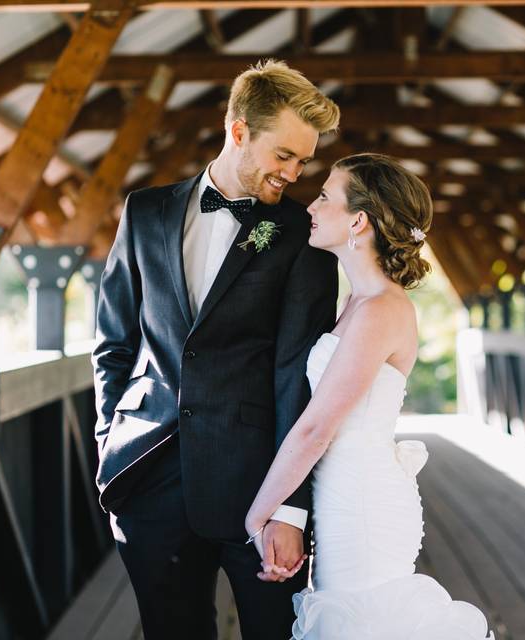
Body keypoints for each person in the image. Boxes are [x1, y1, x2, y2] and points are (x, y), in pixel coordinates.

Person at [91, 60, 340, 638]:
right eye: (284, 156)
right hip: (147, 475)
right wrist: (110, 438)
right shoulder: (144, 212)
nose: (293, 173)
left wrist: (289, 507)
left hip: (257, 486)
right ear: (238, 131)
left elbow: (294, 378)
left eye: (303, 161)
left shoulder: (305, 242)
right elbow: (114, 340)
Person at [244, 153, 494, 639]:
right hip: (342, 497)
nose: (310, 207)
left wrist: (259, 515)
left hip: (363, 507)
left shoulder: (380, 309)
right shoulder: (355, 301)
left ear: (358, 219)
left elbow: (318, 427)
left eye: (323, 196)